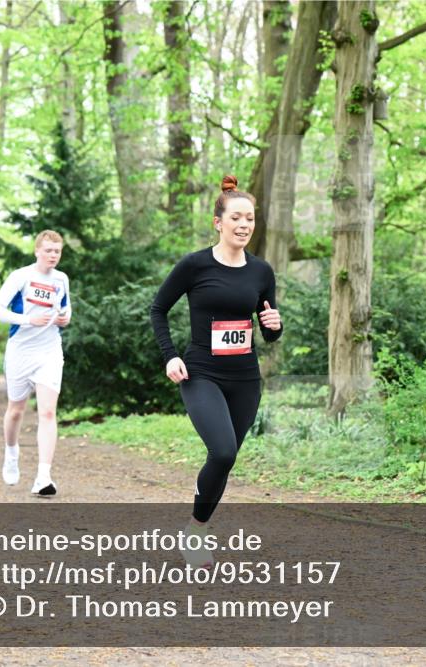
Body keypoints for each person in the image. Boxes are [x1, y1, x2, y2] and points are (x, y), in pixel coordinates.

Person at [149, 175, 283, 567]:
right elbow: (158, 309)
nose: (244, 225)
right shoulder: (195, 265)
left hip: (245, 379)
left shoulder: (261, 272)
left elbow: (269, 330)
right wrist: (170, 356)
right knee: (222, 451)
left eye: (250, 219)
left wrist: (275, 326)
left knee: (226, 459)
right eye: (236, 218)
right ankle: (195, 533)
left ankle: (196, 530)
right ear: (218, 222)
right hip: (201, 373)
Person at [0, 230, 71, 496]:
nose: (53, 255)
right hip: (20, 351)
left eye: (57, 251)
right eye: (48, 250)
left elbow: (66, 310)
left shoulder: (61, 279)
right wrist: (28, 320)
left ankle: (43, 476)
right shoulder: (21, 276)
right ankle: (11, 452)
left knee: (47, 412)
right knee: (16, 410)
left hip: (49, 351)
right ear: (37, 251)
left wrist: (64, 318)